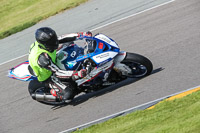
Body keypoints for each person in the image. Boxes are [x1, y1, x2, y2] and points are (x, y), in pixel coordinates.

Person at [28, 27, 92, 103]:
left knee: (69, 44)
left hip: (52, 60)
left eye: (54, 38)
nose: (55, 42)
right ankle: (57, 94)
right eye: (52, 41)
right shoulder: (43, 59)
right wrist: (76, 73)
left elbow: (61, 38)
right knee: (68, 94)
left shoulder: (47, 42)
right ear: (45, 43)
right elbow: (57, 72)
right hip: (48, 75)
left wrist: (82, 35)